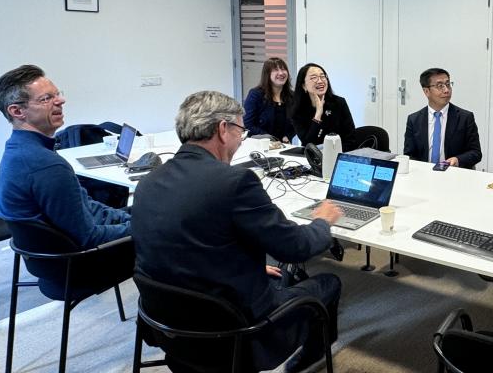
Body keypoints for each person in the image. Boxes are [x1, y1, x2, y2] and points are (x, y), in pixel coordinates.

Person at [131, 90, 343, 372]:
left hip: (170, 326)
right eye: (240, 132)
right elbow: (296, 247)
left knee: (284, 275)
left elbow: (181, 245)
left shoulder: (148, 183)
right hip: (234, 332)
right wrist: (322, 222)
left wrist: (244, 264)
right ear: (223, 129)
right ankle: (309, 359)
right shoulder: (235, 182)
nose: (241, 140)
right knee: (328, 282)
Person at [0, 64, 131, 248]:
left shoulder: (18, 148)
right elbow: (89, 238)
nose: (61, 101)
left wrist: (129, 219)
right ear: (17, 111)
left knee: (145, 214)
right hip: (80, 259)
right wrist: (143, 227)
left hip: (50, 255)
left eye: (57, 94)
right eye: (46, 98)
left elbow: (84, 205)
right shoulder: (46, 165)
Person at [403, 67, 482, 169]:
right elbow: (409, 155)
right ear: (426, 91)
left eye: (448, 84)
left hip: (454, 173)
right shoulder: (414, 120)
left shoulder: (465, 118)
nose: (446, 90)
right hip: (424, 172)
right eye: (440, 86)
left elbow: (476, 153)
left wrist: (458, 160)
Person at [291, 63, 357, 150]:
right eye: (314, 77)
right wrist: (318, 114)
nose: (320, 81)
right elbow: (308, 143)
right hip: (313, 156)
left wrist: (334, 153)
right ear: (304, 86)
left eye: (322, 76)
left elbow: (351, 139)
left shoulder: (339, 103)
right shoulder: (297, 110)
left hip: (340, 153)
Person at [243, 57, 296, 142]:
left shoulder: (292, 96)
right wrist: (269, 138)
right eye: (276, 70)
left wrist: (288, 136)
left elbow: (297, 121)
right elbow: (247, 124)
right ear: (267, 74)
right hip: (260, 144)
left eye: (283, 69)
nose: (281, 73)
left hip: (284, 146)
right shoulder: (256, 94)